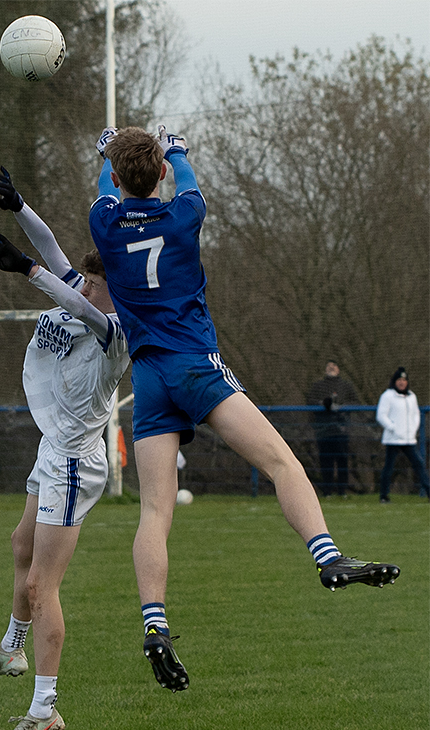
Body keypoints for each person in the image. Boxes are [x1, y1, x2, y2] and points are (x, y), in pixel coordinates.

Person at [88, 125, 400, 692]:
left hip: (150, 376)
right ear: (160, 173)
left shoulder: (104, 224)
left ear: (117, 176)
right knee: (283, 463)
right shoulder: (184, 215)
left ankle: (155, 624)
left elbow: (107, 188)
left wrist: (108, 149)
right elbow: (186, 178)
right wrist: (176, 147)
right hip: (195, 366)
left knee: (154, 511)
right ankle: (328, 557)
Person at [0, 168, 130, 730]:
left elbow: (71, 298)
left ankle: (44, 710)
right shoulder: (87, 292)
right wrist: (20, 207)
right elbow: (58, 255)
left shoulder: (116, 328)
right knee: (20, 544)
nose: (84, 287)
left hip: (74, 463)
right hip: (52, 448)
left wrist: (27, 271)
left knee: (41, 585)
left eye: (96, 283)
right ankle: (11, 650)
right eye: (86, 280)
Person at [376, 367, 430, 503]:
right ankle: (384, 496)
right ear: (395, 381)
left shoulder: (412, 396)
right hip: (393, 439)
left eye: (404, 380)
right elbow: (381, 415)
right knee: (389, 468)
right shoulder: (388, 396)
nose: (402, 382)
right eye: (399, 380)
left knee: (419, 465)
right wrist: (393, 428)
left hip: (409, 439)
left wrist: (412, 429)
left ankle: (428, 491)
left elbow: (416, 415)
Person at [306, 361, 360, 497]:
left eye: (334, 366)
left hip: (341, 430)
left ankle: (342, 491)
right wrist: (323, 404)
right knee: (326, 462)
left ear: (339, 369)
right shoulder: (318, 386)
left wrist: (341, 407)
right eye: (329, 366)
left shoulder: (346, 385)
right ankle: (327, 491)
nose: (331, 368)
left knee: (342, 461)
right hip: (323, 430)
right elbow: (310, 401)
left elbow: (355, 402)